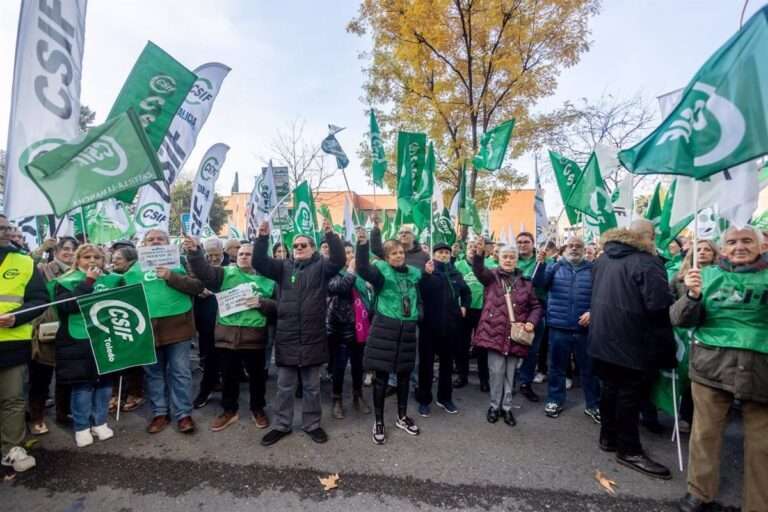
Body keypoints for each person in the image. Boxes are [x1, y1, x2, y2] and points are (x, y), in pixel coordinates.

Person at [671, 227, 767, 512]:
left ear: (761, 246)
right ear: (723, 249)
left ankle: (758, 504)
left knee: (762, 443)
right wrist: (692, 296)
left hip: (761, 369)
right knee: (705, 434)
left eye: (747, 241)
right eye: (732, 242)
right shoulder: (705, 276)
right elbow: (679, 319)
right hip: (712, 366)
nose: (739, 247)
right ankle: (699, 493)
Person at [589, 219, 676, 480]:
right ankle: (629, 450)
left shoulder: (603, 259)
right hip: (633, 341)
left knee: (610, 389)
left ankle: (608, 437)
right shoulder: (647, 262)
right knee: (628, 396)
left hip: (602, 337)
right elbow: (659, 306)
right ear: (648, 237)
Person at [252, 220, 345, 446]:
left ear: (312, 248)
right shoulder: (283, 267)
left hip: (313, 337)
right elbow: (259, 262)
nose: (299, 248)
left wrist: (331, 235)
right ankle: (282, 425)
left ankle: (312, 425)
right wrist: (262, 238)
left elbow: (339, 260)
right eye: (296, 245)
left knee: (312, 388)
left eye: (304, 245)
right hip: (287, 337)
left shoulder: (322, 267)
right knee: (284, 387)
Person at [186, 238, 276, 431]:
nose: (243, 257)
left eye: (249, 254)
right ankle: (229, 410)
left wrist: (262, 303)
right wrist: (194, 252)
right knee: (228, 377)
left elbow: (279, 307)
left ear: (257, 258)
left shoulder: (270, 280)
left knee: (257, 378)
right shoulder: (225, 273)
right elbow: (204, 271)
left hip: (254, 338)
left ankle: (258, 409)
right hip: (227, 337)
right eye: (241, 254)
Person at [356, 228, 433, 445]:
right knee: (381, 379)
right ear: (387, 257)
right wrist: (362, 245)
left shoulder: (413, 273)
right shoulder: (381, 274)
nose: (398, 256)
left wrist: (428, 274)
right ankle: (379, 421)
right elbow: (362, 268)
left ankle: (401, 417)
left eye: (400, 252)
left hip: (407, 331)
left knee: (404, 376)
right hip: (385, 331)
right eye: (393, 253)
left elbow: (420, 294)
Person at [123, 230, 204, 434]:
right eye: (151, 239)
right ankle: (160, 413)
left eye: (160, 239)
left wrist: (171, 276)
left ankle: (183, 414)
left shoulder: (181, 262)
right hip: (147, 329)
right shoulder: (133, 269)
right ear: (143, 244)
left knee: (180, 372)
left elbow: (197, 286)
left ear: (168, 243)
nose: (155, 242)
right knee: (154, 374)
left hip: (178, 326)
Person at [53, 244, 124, 447]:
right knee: (82, 385)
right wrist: (89, 282)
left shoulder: (114, 280)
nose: (92, 260)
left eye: (97, 257)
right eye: (86, 257)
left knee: (104, 384)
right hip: (77, 340)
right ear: (77, 260)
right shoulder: (64, 281)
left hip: (106, 338)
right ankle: (82, 427)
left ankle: (99, 422)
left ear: (104, 260)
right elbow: (67, 306)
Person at [473, 243, 542, 427]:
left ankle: (507, 408)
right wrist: (479, 254)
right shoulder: (491, 277)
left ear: (517, 260)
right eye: (505, 257)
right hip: (493, 333)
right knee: (496, 372)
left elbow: (536, 306)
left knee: (510, 374)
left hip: (515, 335)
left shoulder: (526, 283)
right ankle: (494, 406)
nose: (509, 260)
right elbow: (478, 270)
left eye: (512, 257)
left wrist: (531, 322)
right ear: (499, 258)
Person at [532, 237, 600, 422]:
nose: (574, 249)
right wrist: (540, 264)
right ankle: (555, 400)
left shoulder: (593, 269)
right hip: (558, 327)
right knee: (557, 368)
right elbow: (538, 284)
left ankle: (593, 405)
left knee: (589, 369)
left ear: (584, 249)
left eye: (578, 246)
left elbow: (601, 295)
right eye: (571, 246)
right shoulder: (554, 267)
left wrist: (592, 311)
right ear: (565, 249)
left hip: (584, 329)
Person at [0, 214, 47, 474]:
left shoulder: (24, 261)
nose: (5, 232)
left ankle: (12, 449)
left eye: (7, 227)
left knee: (13, 399)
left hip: (11, 344)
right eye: (1, 228)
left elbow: (39, 300)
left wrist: (17, 317)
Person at [28, 237, 79, 434]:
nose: (69, 252)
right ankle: (37, 417)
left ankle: (63, 413)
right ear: (55, 251)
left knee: (66, 374)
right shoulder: (43, 270)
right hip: (47, 328)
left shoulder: (78, 273)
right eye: (65, 248)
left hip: (70, 328)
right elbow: (27, 266)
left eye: (73, 249)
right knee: (41, 375)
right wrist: (41, 248)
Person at [669, 240, 719, 433]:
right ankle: (685, 415)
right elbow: (671, 303)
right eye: (699, 249)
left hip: (711, 333)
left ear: (715, 254)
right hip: (685, 335)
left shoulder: (723, 277)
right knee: (687, 374)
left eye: (707, 249)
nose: (703, 252)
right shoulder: (679, 277)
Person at [416, 242, 470, 416]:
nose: (443, 255)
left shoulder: (455, 273)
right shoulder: (427, 272)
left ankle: (445, 398)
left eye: (446, 252)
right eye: (440, 252)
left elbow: (466, 291)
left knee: (447, 365)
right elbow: (419, 292)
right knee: (426, 365)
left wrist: (464, 305)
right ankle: (424, 399)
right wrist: (426, 275)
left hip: (450, 326)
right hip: (429, 327)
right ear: (434, 255)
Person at [327, 242, 372, 419]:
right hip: (341, 327)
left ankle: (357, 395)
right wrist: (351, 271)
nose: (350, 256)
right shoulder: (332, 273)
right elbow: (340, 288)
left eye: (351, 253)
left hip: (360, 327)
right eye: (346, 253)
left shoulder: (361, 275)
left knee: (358, 365)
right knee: (339, 366)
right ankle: (337, 399)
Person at [107, 246, 145, 413]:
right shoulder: (110, 277)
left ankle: (135, 393)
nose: (114, 261)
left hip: (133, 322)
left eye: (119, 258)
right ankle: (116, 394)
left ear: (131, 261)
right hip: (114, 321)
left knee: (133, 361)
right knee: (115, 361)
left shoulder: (137, 276)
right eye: (113, 258)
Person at [514, 231, 549, 402]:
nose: (522, 245)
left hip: (536, 309)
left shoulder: (542, 260)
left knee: (532, 349)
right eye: (519, 242)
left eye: (526, 242)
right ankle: (509, 381)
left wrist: (541, 265)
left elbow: (544, 283)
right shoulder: (512, 260)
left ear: (533, 243)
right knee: (512, 346)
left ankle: (525, 383)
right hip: (516, 309)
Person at [192, 237, 225, 410]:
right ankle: (206, 389)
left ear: (222, 253)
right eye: (209, 255)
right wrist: (198, 290)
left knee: (228, 360)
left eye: (216, 254)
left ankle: (228, 396)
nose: (213, 258)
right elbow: (189, 284)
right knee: (210, 357)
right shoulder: (198, 269)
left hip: (228, 322)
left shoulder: (231, 269)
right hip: (206, 321)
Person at [453, 238, 489, 391]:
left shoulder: (488, 264)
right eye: (470, 246)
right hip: (464, 310)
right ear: (466, 248)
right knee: (461, 344)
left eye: (476, 246)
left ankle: (484, 378)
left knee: (482, 346)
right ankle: (462, 375)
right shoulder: (458, 265)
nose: (473, 249)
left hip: (483, 310)